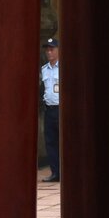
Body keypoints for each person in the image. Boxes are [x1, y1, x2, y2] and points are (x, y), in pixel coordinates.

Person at [40, 38, 60, 183]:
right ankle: (55, 172)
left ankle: (65, 171)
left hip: (61, 109)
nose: (49, 52)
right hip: (49, 109)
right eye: (47, 49)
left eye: (52, 49)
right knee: (50, 142)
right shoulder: (44, 69)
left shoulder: (63, 68)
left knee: (63, 142)